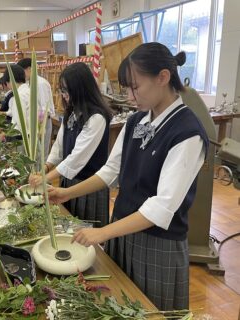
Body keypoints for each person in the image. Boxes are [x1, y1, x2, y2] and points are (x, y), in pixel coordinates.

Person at [48, 42, 209, 311]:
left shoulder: (188, 132)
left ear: (163, 77)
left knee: (151, 311)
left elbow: (161, 208)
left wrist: (102, 232)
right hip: (123, 228)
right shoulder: (136, 121)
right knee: (121, 304)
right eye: (126, 89)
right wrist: (66, 193)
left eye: (135, 87)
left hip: (158, 243)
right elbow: (110, 172)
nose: (130, 96)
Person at [30, 62, 112, 227]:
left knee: (87, 233)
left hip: (87, 186)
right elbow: (59, 147)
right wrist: (45, 167)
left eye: (67, 90)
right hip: (69, 181)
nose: (64, 95)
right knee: (69, 226)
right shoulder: (72, 112)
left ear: (81, 89)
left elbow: (77, 158)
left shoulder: (96, 118)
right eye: (62, 90)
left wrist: (46, 178)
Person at [18, 58, 55, 156]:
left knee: (41, 154)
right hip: (34, 125)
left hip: (42, 124)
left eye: (22, 71)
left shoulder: (40, 83)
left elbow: (43, 109)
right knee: (34, 155)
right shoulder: (28, 83)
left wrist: (39, 129)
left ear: (29, 69)